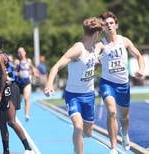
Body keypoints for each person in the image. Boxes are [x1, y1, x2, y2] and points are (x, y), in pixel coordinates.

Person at [44, 17, 104, 154]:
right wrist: (49, 84)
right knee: (78, 127)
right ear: (96, 34)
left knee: (88, 133)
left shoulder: (95, 47)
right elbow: (56, 67)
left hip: (89, 95)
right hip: (73, 96)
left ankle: (77, 142)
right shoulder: (78, 49)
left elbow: (102, 46)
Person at [95, 11, 145, 154]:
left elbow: (138, 55)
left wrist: (141, 69)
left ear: (116, 25)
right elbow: (95, 53)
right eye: (105, 24)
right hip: (107, 83)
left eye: (111, 23)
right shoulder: (101, 44)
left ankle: (125, 133)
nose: (109, 26)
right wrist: (95, 58)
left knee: (124, 117)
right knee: (111, 111)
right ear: (103, 28)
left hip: (123, 84)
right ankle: (113, 147)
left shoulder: (125, 41)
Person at [0, 33, 34, 154]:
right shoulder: (4, 54)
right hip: (11, 88)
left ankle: (28, 149)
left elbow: (4, 76)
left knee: (11, 121)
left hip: (9, 89)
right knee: (2, 122)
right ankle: (6, 151)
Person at [15, 47, 39, 121]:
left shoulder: (28, 61)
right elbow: (13, 72)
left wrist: (35, 72)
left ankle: (27, 114)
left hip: (27, 82)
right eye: (19, 52)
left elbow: (33, 68)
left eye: (22, 52)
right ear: (18, 54)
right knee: (18, 100)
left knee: (26, 98)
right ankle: (13, 115)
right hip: (18, 82)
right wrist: (18, 73)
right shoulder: (17, 62)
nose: (21, 53)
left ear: (25, 52)